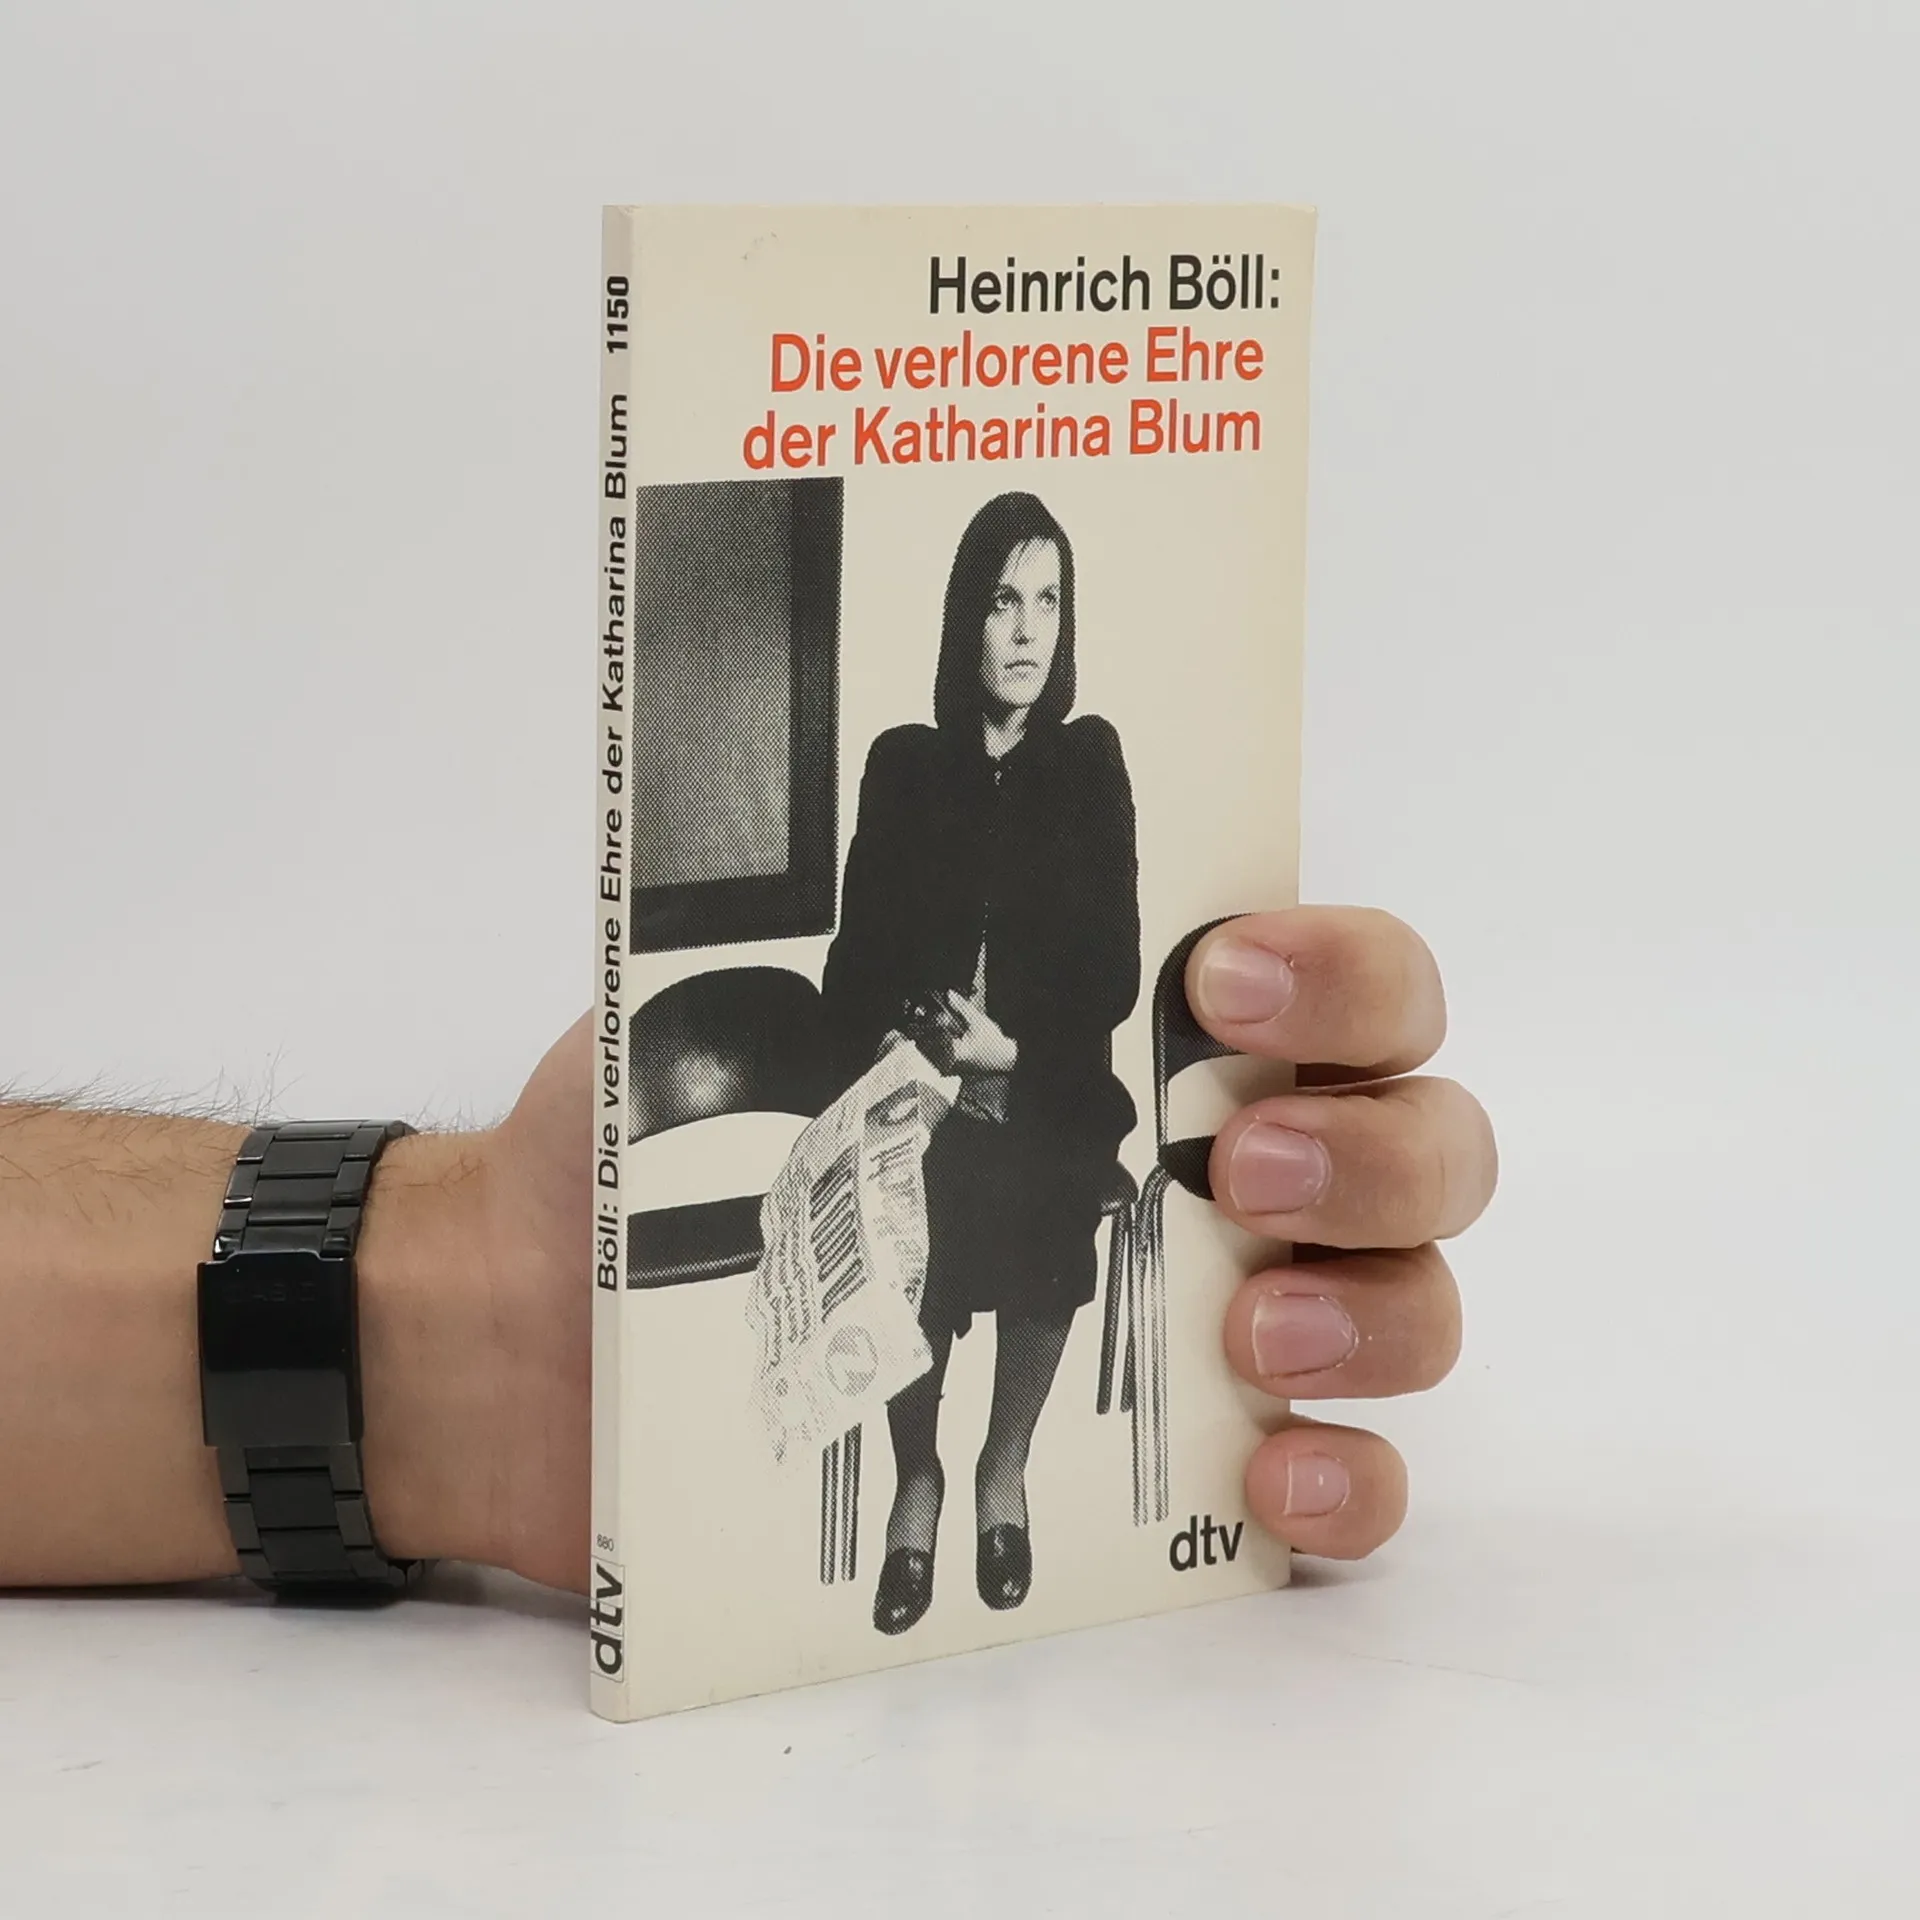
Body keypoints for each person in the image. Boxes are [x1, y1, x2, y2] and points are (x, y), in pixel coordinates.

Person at [819, 492, 1143, 1634]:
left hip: (1046, 1086)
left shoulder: (1089, 762)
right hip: (925, 1097)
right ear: (969, 618)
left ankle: (1003, 1467)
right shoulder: (904, 766)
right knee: (916, 1215)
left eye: (1048, 601)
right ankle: (919, 1478)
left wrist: (1013, 1050)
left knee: (1050, 1200)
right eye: (1005, 601)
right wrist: (894, 1038)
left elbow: (1116, 973)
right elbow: (852, 964)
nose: (1027, 630)